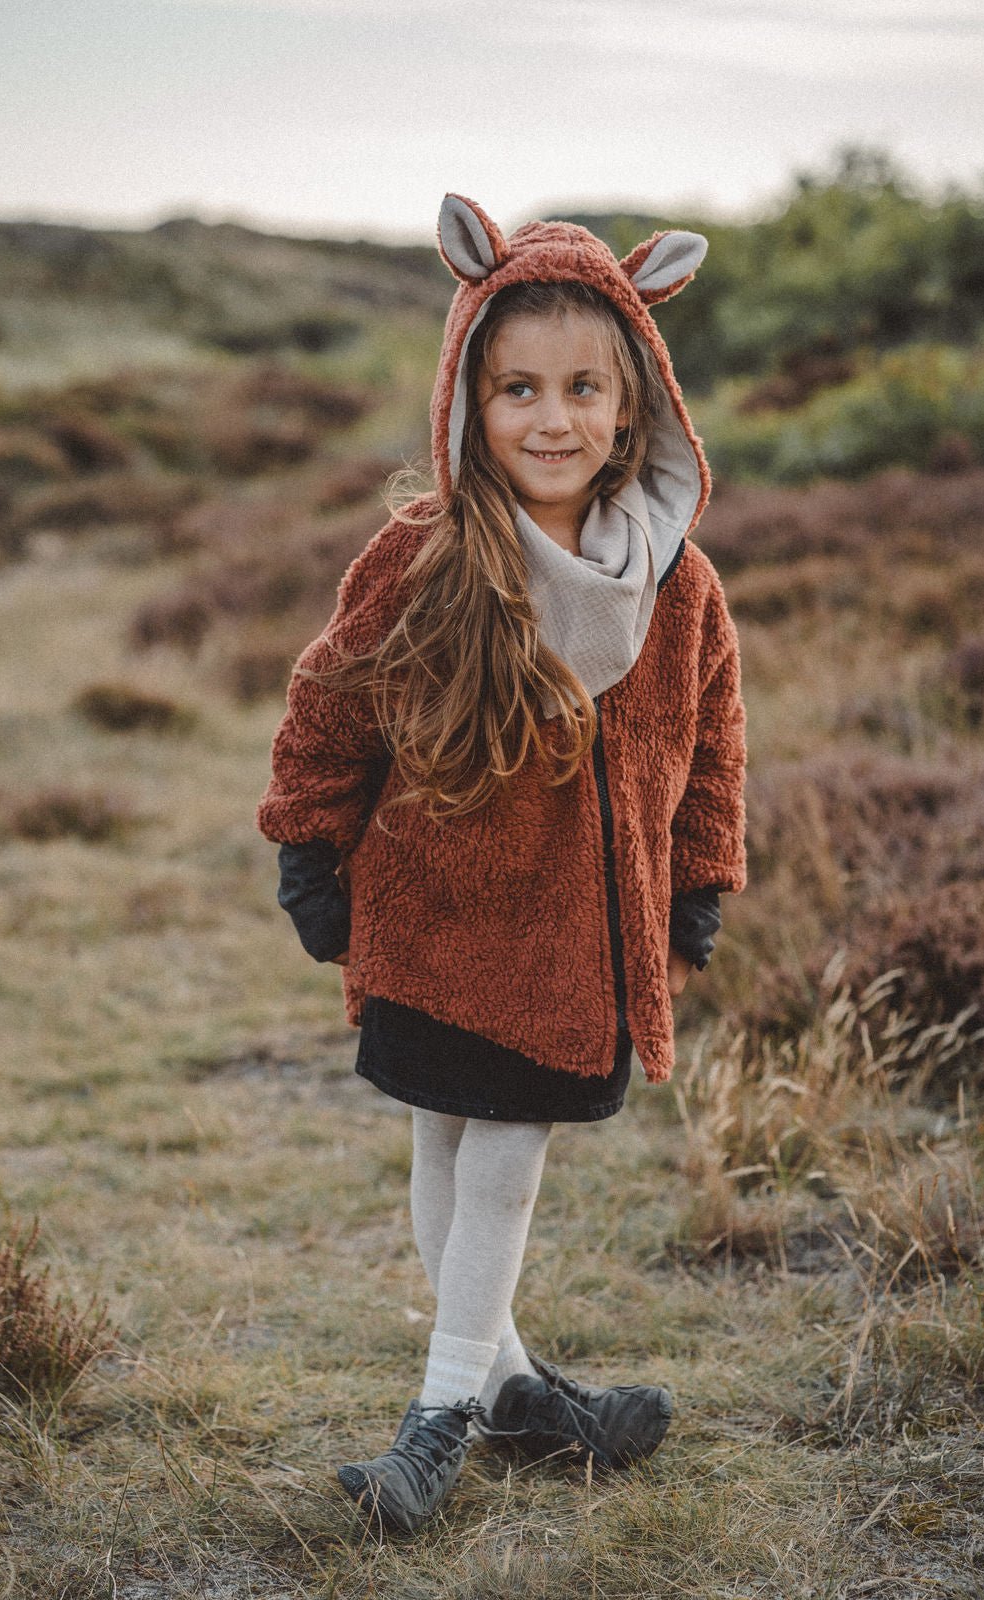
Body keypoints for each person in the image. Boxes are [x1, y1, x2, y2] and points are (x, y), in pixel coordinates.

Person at [256, 193, 747, 1535]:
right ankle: (507, 1397)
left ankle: (454, 1412)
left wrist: (699, 882)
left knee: (505, 1160)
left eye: (585, 388)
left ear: (635, 406)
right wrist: (309, 850)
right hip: (432, 915)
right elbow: (328, 703)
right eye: (518, 387)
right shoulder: (424, 555)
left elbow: (712, 745)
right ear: (469, 396)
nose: (551, 418)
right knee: (449, 1141)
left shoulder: (676, 583)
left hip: (574, 941)